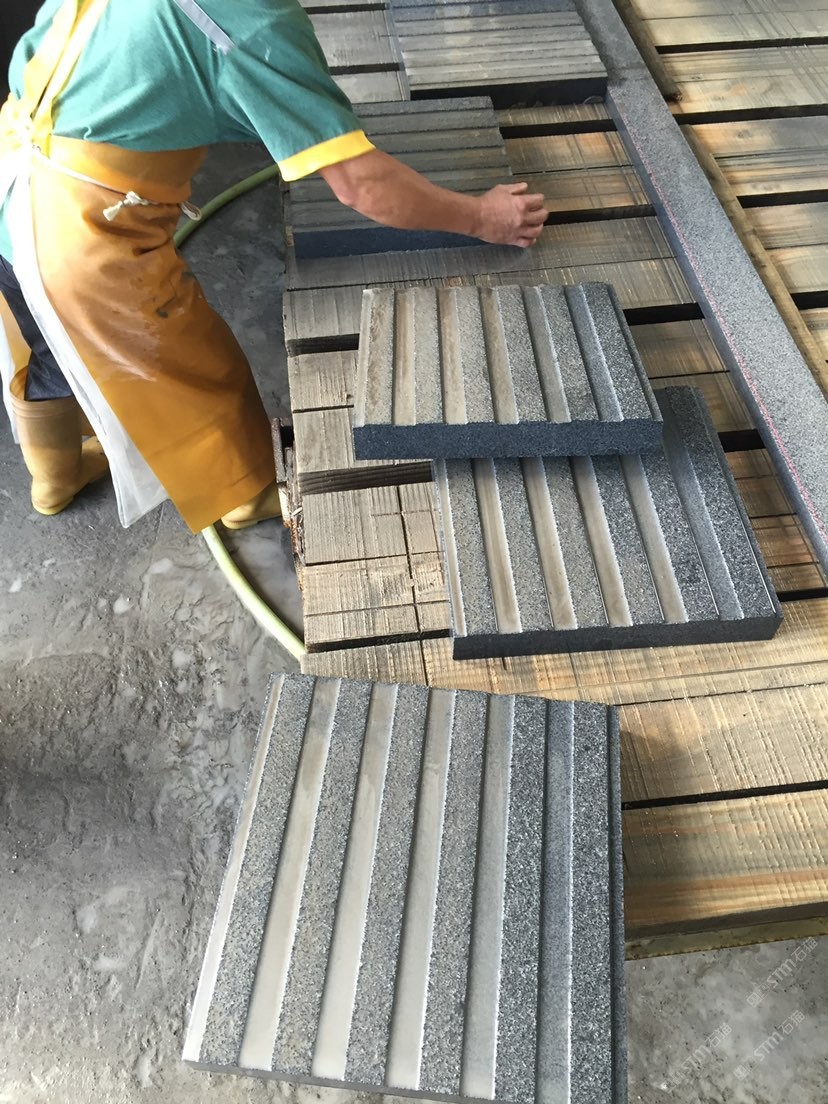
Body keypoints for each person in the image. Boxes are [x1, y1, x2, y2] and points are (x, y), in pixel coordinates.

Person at [0, 0, 548, 530]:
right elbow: (362, 185)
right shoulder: (250, 21)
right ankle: (246, 495)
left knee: (46, 345)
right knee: (193, 367)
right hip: (74, 233)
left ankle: (55, 479)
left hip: (11, 176)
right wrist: (482, 217)